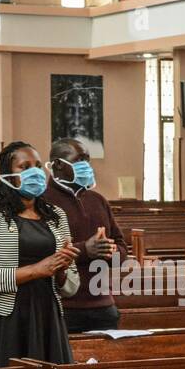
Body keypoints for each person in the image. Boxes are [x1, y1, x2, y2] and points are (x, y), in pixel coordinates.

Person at [0, 141, 80, 368]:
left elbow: (71, 287)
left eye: (37, 165)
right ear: (7, 173)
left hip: (47, 316)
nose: (34, 172)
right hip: (5, 319)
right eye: (24, 167)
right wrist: (37, 270)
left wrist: (62, 271)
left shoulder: (56, 216)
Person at [41, 138, 130, 333]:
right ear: (57, 165)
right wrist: (84, 250)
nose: (86, 166)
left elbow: (122, 247)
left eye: (87, 160)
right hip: (62, 308)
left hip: (104, 305)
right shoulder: (42, 201)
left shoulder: (98, 200)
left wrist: (110, 251)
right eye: (79, 160)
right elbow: (42, 250)